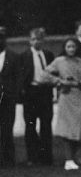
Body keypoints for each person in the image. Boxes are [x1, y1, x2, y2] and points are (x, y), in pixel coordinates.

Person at [44, 37, 81, 170]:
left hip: (80, 95)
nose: (71, 49)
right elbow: (45, 74)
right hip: (66, 96)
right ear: (64, 48)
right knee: (67, 129)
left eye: (73, 47)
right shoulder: (59, 61)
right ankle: (69, 159)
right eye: (68, 47)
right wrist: (59, 81)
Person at [18, 28, 55, 166]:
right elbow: (21, 77)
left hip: (45, 92)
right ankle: (32, 157)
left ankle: (46, 157)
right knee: (30, 125)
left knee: (46, 125)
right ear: (29, 40)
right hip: (31, 92)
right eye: (33, 39)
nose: (36, 42)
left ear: (43, 40)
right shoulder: (24, 56)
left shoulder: (48, 54)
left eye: (39, 39)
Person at [0, 27, 20, 168]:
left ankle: (8, 160)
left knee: (7, 128)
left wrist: (12, 93)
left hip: (7, 99)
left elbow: (18, 78)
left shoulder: (13, 56)